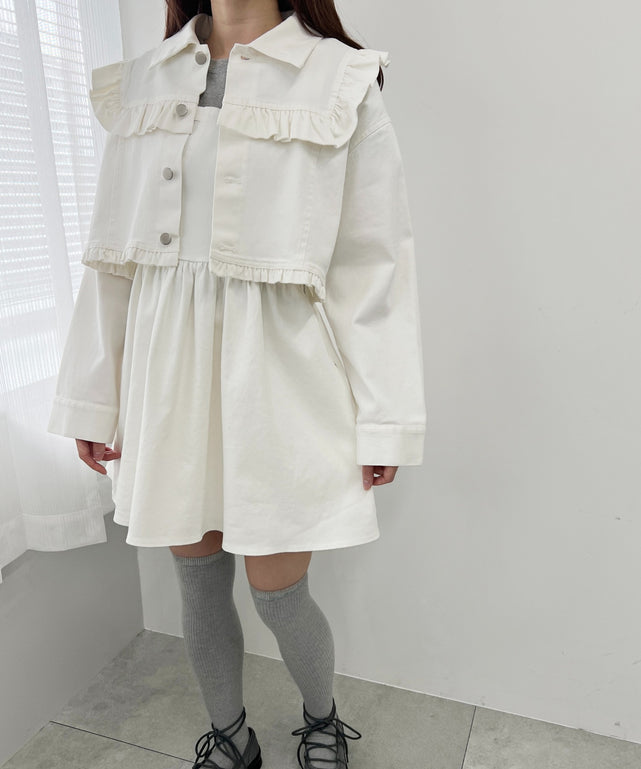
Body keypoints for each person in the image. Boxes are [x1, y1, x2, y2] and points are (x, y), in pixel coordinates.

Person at [47, 1, 426, 767]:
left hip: (281, 373)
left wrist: (383, 415)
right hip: (168, 371)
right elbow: (111, 256)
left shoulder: (337, 77)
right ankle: (229, 735)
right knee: (196, 580)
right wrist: (94, 395)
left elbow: (373, 265)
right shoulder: (146, 79)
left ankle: (320, 717)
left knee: (278, 589)